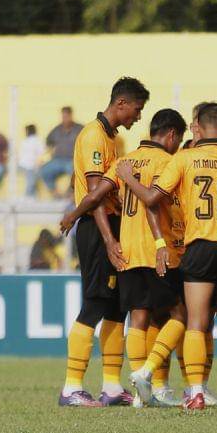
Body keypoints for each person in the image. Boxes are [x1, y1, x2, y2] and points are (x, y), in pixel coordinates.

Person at [116, 102, 217, 411]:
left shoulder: (184, 158)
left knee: (194, 322)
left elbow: (153, 199)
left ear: (198, 127)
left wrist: (129, 179)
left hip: (199, 247)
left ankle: (195, 393)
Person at [62, 109, 189, 409]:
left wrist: (73, 215)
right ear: (172, 135)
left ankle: (120, 388)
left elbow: (94, 195)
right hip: (153, 249)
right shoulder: (167, 162)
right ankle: (130, 377)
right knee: (178, 314)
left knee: (133, 314)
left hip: (126, 248)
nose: (137, 115)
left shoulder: (124, 158)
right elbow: (152, 204)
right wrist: (159, 242)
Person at [57, 77, 148, 408]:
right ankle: (71, 388)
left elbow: (78, 182)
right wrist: (109, 240)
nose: (137, 117)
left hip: (110, 225)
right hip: (98, 230)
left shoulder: (109, 138)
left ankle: (111, 386)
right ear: (121, 103)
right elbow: (95, 196)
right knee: (95, 303)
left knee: (115, 307)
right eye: (137, 110)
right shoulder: (95, 135)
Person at [41, 107, 83, 199]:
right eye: (63, 116)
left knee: (76, 172)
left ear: (71, 116)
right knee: (44, 170)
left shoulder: (79, 129)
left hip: (72, 160)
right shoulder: (56, 129)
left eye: (67, 116)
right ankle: (55, 193)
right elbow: (48, 142)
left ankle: (70, 194)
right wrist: (46, 155)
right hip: (57, 159)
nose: (65, 118)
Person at [17, 124, 45, 198]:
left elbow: (40, 155)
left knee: (32, 175)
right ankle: (29, 195)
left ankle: (29, 195)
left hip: (27, 165)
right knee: (31, 175)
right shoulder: (35, 141)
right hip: (28, 166)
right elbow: (41, 154)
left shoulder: (26, 141)